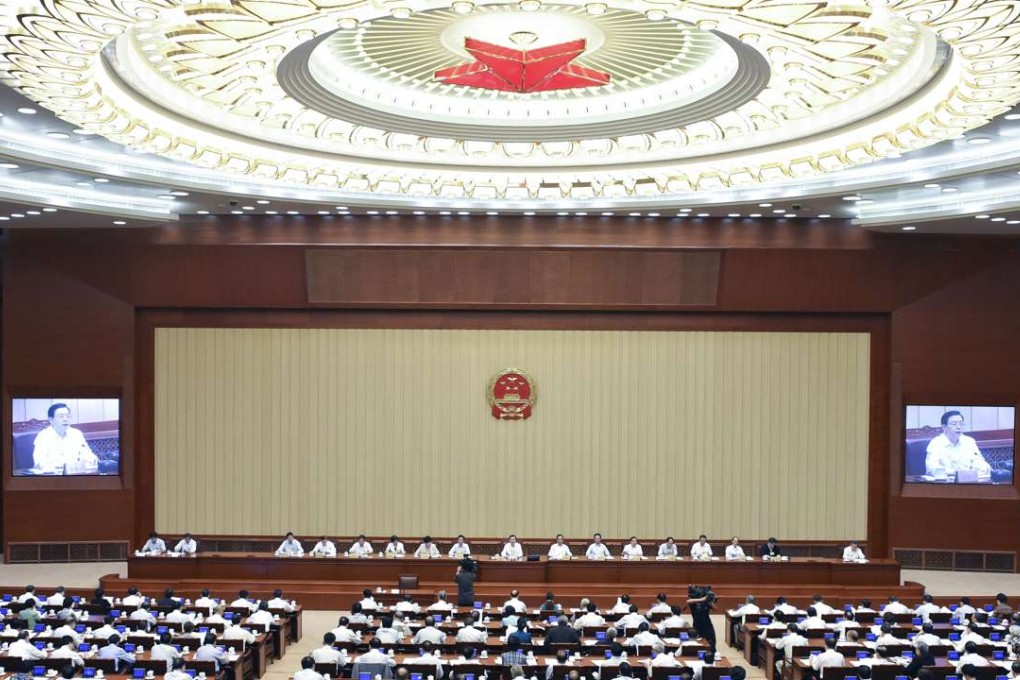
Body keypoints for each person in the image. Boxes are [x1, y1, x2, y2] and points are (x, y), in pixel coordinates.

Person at [32, 403, 98, 473]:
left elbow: (87, 454)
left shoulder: (76, 434)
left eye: (68, 416)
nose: (65, 419)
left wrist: (92, 459)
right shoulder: (43, 436)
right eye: (61, 416)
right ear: (51, 420)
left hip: (75, 474)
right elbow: (39, 462)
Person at [928, 411, 994, 479]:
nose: (958, 427)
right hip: (945, 484)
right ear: (944, 427)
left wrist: (985, 468)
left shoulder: (969, 442)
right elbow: (932, 468)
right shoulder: (936, 444)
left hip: (968, 482)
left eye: (961, 423)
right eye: (954, 424)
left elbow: (979, 462)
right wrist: (955, 473)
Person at [686, 587, 717, 656]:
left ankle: (711, 656)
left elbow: (715, 608)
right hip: (697, 626)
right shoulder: (693, 604)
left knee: (712, 642)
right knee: (697, 643)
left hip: (707, 625)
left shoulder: (706, 602)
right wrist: (702, 599)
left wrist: (709, 601)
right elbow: (688, 601)